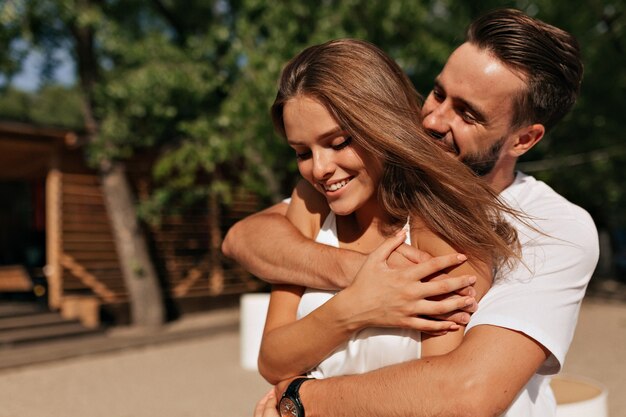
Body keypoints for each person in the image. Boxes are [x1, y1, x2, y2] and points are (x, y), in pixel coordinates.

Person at [223, 8, 599, 417]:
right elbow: (244, 238)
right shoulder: (348, 188)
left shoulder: (553, 226)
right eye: (438, 94)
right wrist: (365, 282)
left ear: (524, 139)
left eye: (467, 114)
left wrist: (299, 400)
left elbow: (464, 394)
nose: (433, 120)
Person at [257, 38, 521, 390]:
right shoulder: (308, 205)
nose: (319, 169)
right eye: (302, 152)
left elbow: (438, 395)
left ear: (384, 125)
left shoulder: (441, 227)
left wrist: (301, 402)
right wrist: (356, 307)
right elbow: (272, 360)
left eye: (338, 143)